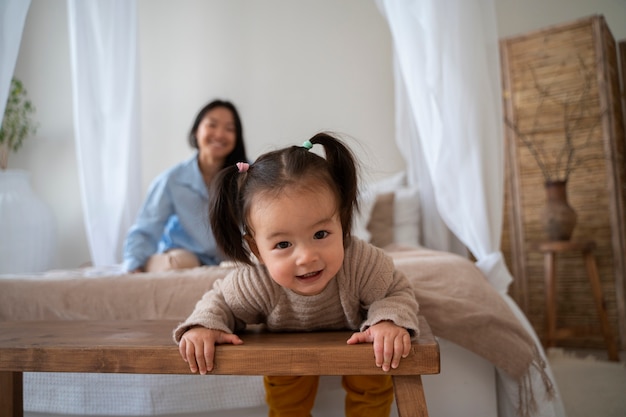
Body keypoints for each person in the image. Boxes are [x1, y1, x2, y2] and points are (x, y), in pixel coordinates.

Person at [173, 132, 420, 417]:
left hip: (359, 342)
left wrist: (388, 321)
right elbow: (220, 301)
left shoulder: (360, 262)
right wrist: (206, 326)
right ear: (256, 249)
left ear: (342, 224)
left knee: (375, 371)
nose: (306, 257)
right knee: (286, 398)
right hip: (287, 349)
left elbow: (396, 290)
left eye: (320, 234)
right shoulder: (257, 282)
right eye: (282, 244)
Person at [122, 99, 248, 272]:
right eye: (212, 125)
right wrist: (133, 266)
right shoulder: (172, 180)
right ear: (196, 131)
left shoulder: (248, 174)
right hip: (185, 256)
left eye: (229, 128)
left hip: (232, 258)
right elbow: (146, 229)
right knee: (177, 263)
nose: (219, 134)